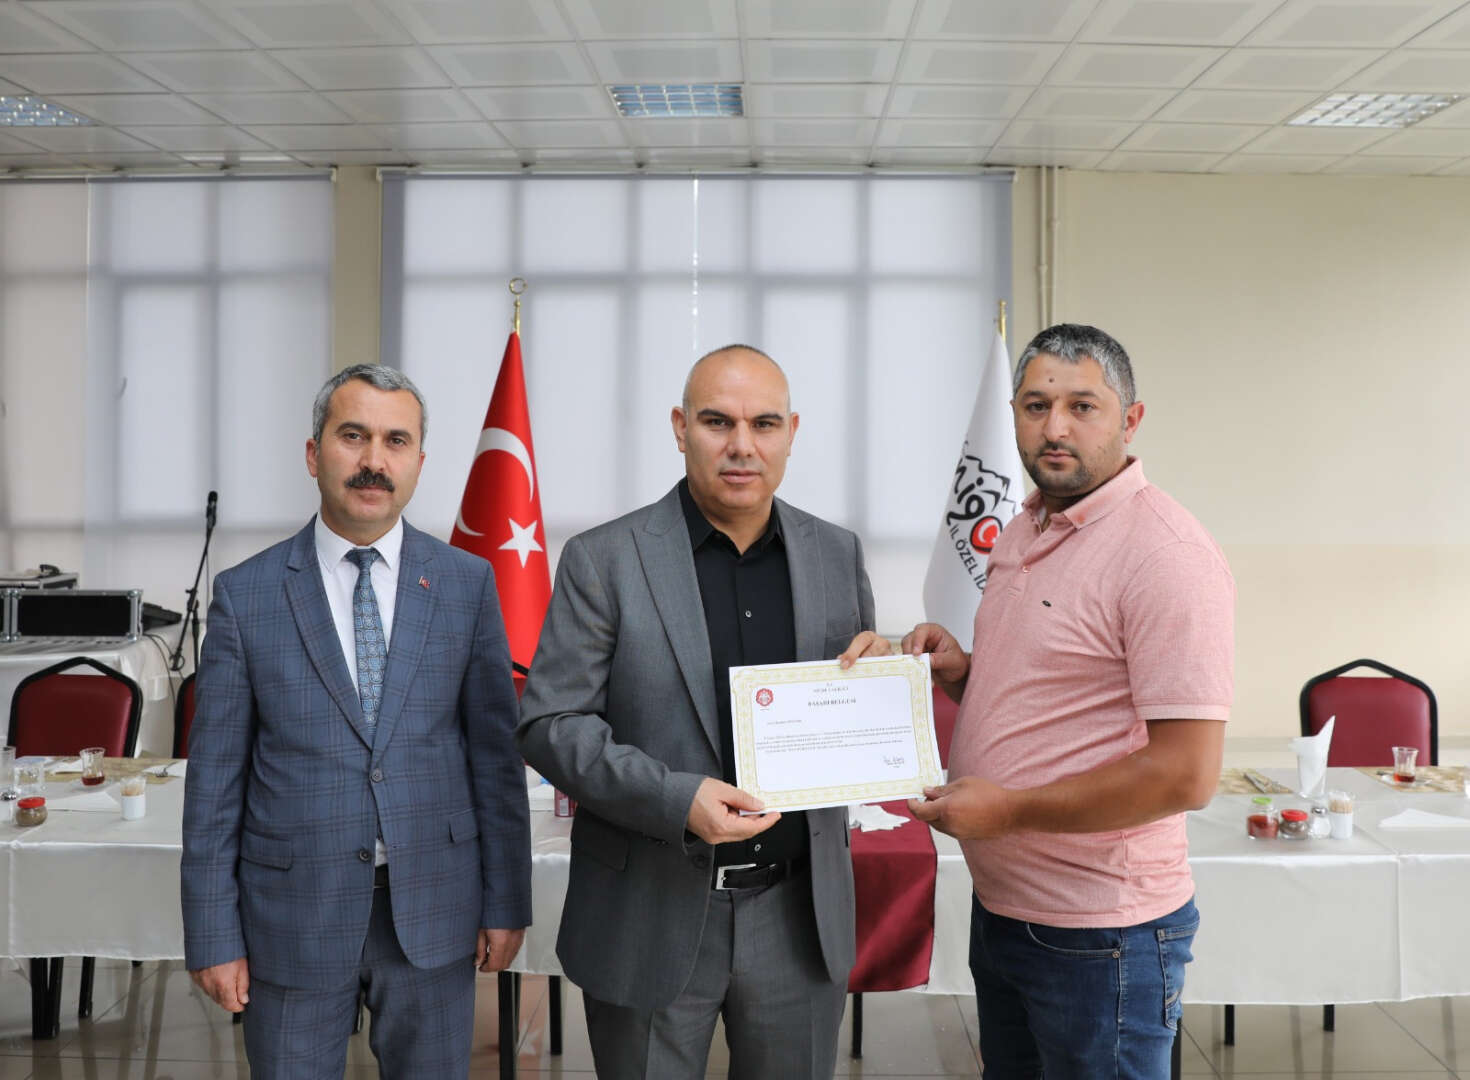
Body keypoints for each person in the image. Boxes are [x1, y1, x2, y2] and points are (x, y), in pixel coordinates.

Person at [846, 323, 1234, 1079]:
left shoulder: (1167, 555)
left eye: (1082, 406)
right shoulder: (1024, 527)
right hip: (1007, 911)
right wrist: (961, 672)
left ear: (1130, 419)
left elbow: (1185, 775)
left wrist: (1009, 812)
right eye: (1035, 406)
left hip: (1103, 934)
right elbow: (1055, 692)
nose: (1054, 427)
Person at [518, 344, 880, 1079]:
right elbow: (551, 724)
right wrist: (676, 799)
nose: (742, 445)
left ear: (791, 432)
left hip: (797, 918)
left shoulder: (835, 554)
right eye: (718, 422)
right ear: (681, 428)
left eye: (764, 423)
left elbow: (848, 705)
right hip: (648, 911)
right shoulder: (605, 559)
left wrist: (883, 683)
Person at [181, 364, 531, 1079]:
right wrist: (213, 933)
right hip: (292, 918)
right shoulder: (246, 596)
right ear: (314, 454)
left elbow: (495, 762)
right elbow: (214, 785)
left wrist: (506, 900)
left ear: (420, 461)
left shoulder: (465, 585)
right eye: (353, 436)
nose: (375, 460)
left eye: (396, 441)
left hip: (434, 910)